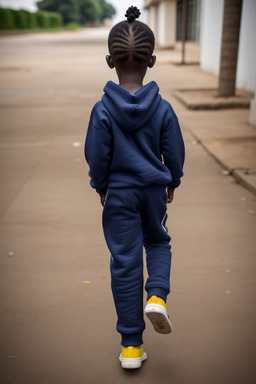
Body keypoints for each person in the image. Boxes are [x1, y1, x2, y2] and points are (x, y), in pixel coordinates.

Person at [85, 6, 185, 370]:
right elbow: (174, 153)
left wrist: (101, 186)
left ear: (110, 61)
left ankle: (130, 347)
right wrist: (171, 180)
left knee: (125, 262)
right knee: (157, 241)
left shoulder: (102, 110)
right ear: (152, 61)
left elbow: (97, 155)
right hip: (152, 191)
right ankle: (157, 294)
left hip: (120, 195)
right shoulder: (164, 109)